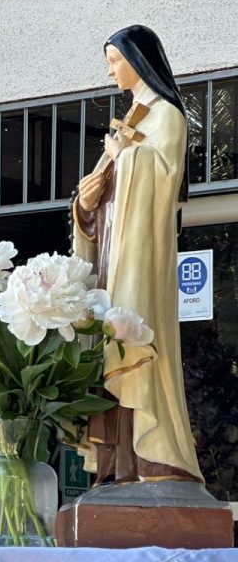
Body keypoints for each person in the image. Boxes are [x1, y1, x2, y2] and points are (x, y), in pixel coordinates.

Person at [72, 25, 202, 484]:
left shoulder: (166, 115)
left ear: (138, 59)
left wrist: (125, 158)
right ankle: (117, 466)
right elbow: (101, 203)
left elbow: (163, 185)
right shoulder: (134, 118)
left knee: (135, 345)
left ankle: (153, 459)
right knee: (110, 348)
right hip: (111, 259)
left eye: (114, 60)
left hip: (139, 263)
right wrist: (86, 203)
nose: (110, 70)